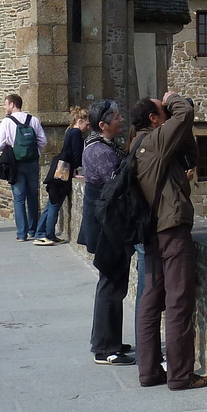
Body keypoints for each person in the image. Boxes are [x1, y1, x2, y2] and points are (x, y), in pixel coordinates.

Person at [132, 91, 207, 390]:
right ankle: (180, 375)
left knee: (149, 302)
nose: (166, 113)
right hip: (170, 229)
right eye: (161, 112)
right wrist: (173, 98)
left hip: (149, 230)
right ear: (153, 119)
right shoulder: (155, 141)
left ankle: (149, 371)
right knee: (178, 300)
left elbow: (185, 150)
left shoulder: (136, 142)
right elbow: (184, 117)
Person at [76, 99, 134, 365]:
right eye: (117, 117)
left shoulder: (103, 146)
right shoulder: (98, 151)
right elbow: (116, 186)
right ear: (103, 124)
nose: (121, 120)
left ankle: (110, 340)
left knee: (113, 285)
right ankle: (105, 348)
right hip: (106, 228)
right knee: (110, 286)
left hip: (108, 226)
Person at [0, 94, 47, 241]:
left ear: (12, 104)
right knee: (32, 196)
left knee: (18, 198)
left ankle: (21, 234)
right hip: (32, 162)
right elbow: (43, 141)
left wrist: (11, 146)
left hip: (15, 163)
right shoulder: (33, 120)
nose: (5, 107)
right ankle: (33, 230)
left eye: (6, 104)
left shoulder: (7, 122)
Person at [33, 107, 88, 245]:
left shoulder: (70, 131)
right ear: (80, 121)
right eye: (87, 124)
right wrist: (75, 171)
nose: (88, 128)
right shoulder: (75, 133)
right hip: (63, 172)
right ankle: (48, 235)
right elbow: (76, 155)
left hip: (59, 169)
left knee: (51, 204)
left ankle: (41, 233)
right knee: (54, 204)